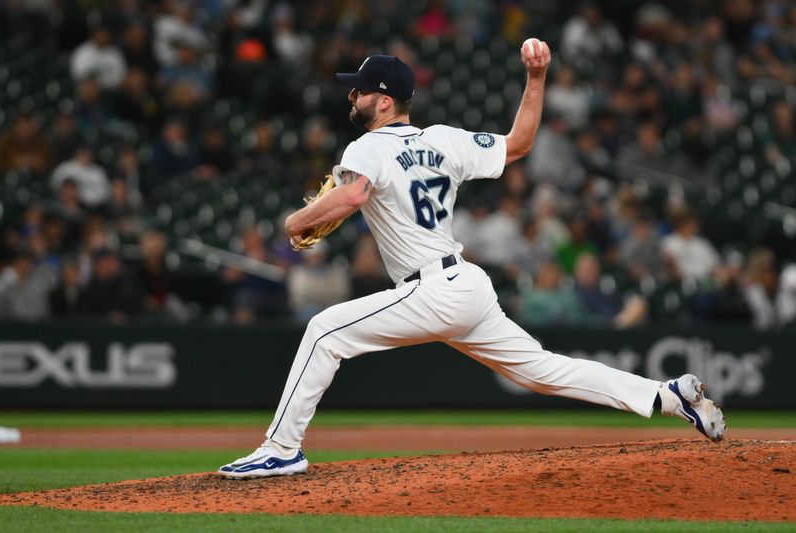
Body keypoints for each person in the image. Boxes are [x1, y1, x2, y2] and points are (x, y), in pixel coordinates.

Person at [219, 42, 726, 479]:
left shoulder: (366, 146)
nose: (352, 96)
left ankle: (280, 450)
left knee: (324, 332)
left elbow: (353, 198)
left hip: (431, 290)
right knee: (543, 371)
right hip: (466, 285)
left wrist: (296, 220)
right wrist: (537, 77)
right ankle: (667, 395)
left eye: (359, 89)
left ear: (384, 99)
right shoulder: (445, 139)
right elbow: (520, 143)